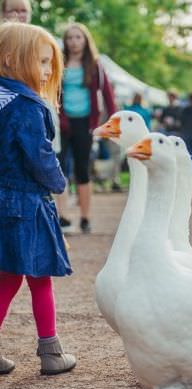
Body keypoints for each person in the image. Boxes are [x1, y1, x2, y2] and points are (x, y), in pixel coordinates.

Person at [0, 22, 76, 375]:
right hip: (27, 205)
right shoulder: (28, 106)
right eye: (42, 62)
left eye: (50, 64)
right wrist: (59, 182)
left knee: (6, 278)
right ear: (10, 59)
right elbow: (40, 156)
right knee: (39, 277)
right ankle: (51, 352)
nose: (47, 71)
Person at [58, 23, 116, 234]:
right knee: (59, 167)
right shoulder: (59, 62)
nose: (74, 42)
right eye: (70, 38)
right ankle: (62, 216)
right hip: (62, 122)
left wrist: (113, 119)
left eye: (78, 37)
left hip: (85, 123)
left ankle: (85, 217)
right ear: (65, 41)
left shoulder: (95, 64)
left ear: (85, 40)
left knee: (82, 169)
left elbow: (108, 94)